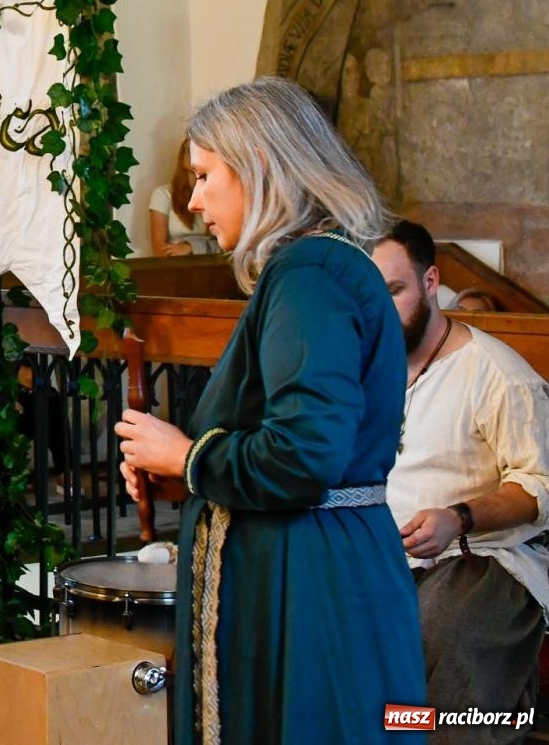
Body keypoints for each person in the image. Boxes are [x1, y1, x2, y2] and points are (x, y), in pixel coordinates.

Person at [114, 77, 425, 743]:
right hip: (318, 562)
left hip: (307, 581)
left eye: (204, 176)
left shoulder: (309, 276)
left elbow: (303, 456)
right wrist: (187, 474)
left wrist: (187, 456)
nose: (193, 201)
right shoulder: (322, 269)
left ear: (256, 166)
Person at [373, 220, 549, 742]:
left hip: (486, 559)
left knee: (430, 649)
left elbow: (539, 485)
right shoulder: (367, 371)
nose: (380, 310)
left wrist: (459, 517)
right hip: (387, 558)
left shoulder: (498, 374)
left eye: (394, 291)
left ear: (431, 282)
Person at [148, 137, 217, 256]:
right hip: (175, 263)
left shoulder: (215, 194)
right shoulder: (163, 194)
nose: (191, 154)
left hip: (210, 261)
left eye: (197, 150)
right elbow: (159, 250)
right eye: (187, 150)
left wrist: (191, 247)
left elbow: (226, 246)